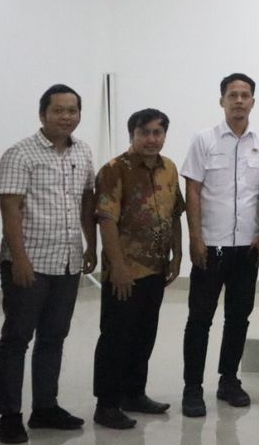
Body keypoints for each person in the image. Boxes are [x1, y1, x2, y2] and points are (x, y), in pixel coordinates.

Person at [0, 83, 98, 444]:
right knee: (16, 339)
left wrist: (90, 244)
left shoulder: (82, 151)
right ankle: (10, 416)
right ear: (43, 114)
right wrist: (19, 259)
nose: (66, 117)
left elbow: (87, 200)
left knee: (54, 337)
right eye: (58, 110)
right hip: (30, 263)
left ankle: (45, 407)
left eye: (73, 110)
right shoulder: (20, 153)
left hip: (67, 261)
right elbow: (10, 208)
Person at [180, 72, 259, 417]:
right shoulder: (204, 140)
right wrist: (195, 237)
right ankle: (192, 387)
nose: (239, 101)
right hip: (211, 245)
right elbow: (192, 190)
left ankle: (229, 380)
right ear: (222, 101)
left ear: (253, 102)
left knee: (238, 317)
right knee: (200, 318)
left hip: (247, 246)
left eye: (245, 95)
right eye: (233, 95)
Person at [91, 108, 184, 430]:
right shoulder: (114, 170)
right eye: (144, 133)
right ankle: (106, 404)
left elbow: (174, 214)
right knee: (116, 337)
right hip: (125, 271)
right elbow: (106, 220)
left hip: (155, 268)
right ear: (132, 134)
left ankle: (134, 394)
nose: (151, 139)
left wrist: (177, 255)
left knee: (144, 334)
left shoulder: (169, 168)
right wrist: (117, 267)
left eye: (157, 133)